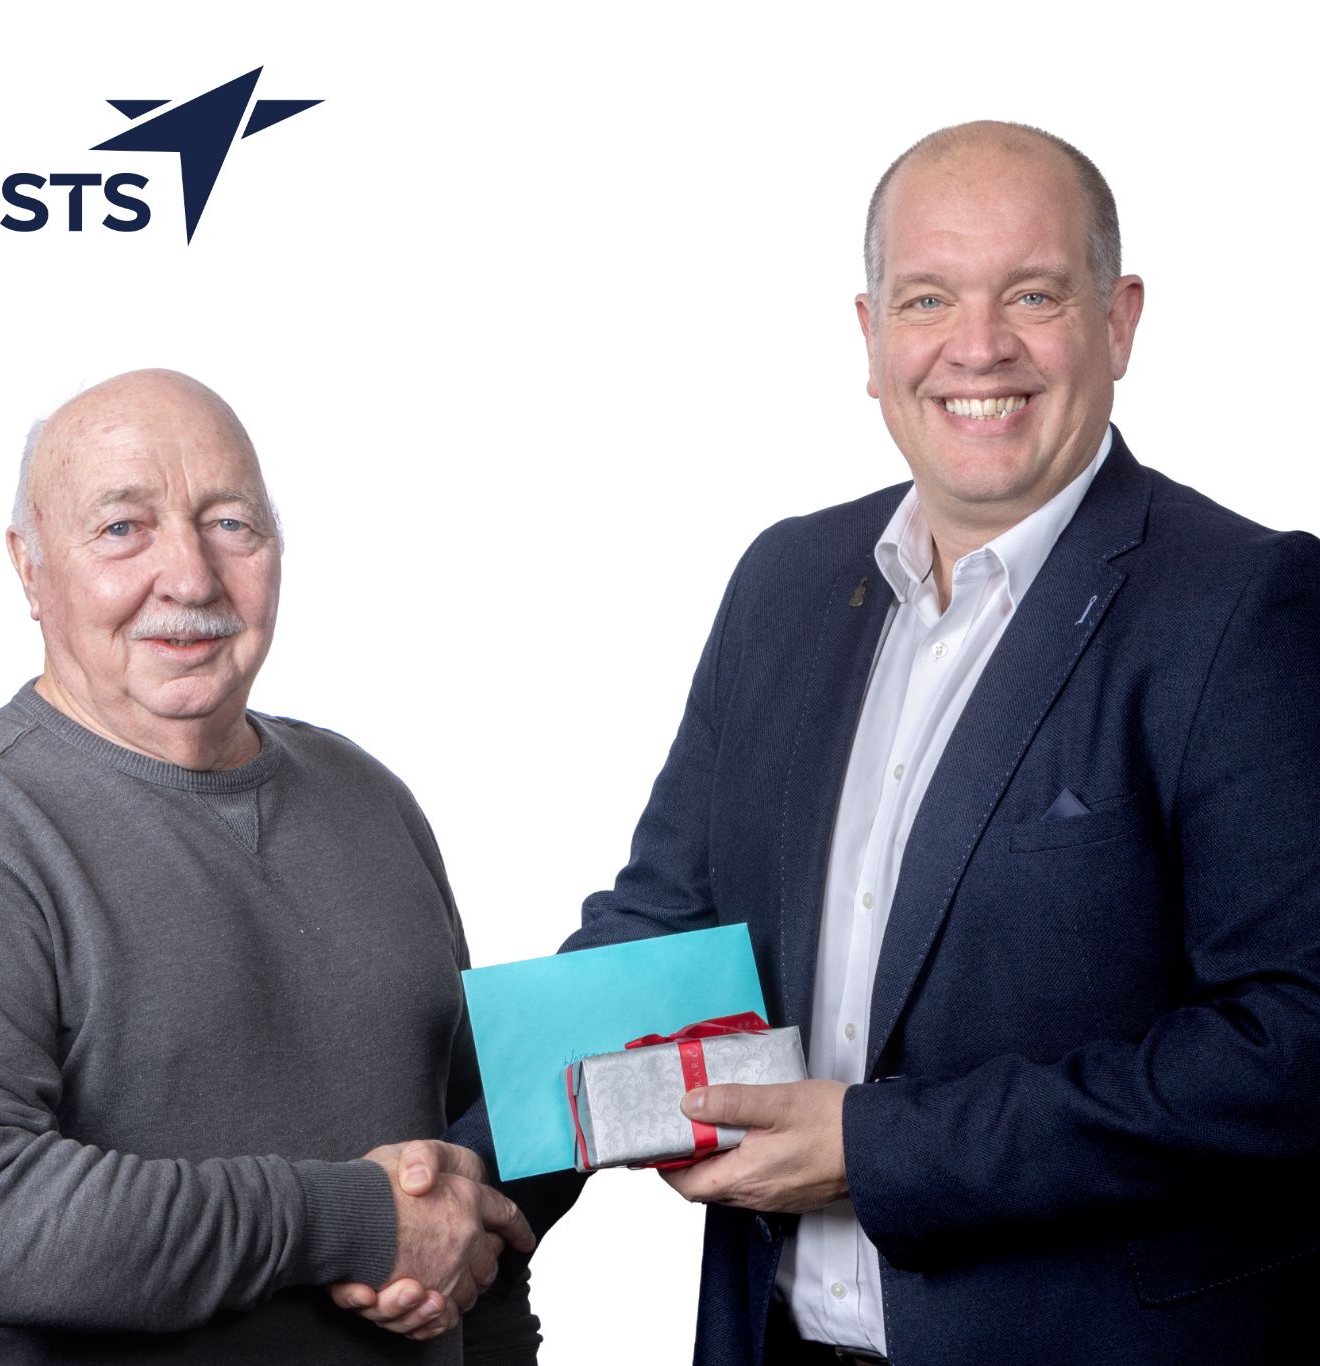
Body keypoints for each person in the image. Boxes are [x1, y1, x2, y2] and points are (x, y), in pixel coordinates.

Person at [352, 120, 1320, 1363]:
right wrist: (465, 1189)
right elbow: (662, 930)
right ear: (870, 336)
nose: (977, 345)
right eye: (927, 298)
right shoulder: (787, 581)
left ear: (1118, 321)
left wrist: (874, 1148)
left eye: (1032, 294)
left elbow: (1291, 1043)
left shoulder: (1244, 605)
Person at [0, 369, 539, 1363]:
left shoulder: (367, 798)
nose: (190, 578)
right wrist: (343, 1218)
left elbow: (464, 1196)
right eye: (122, 529)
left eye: (231, 524)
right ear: (29, 566)